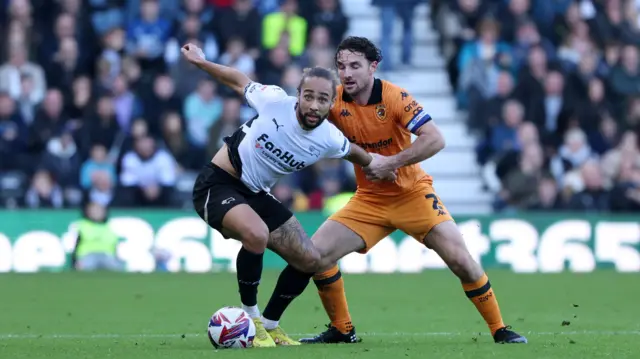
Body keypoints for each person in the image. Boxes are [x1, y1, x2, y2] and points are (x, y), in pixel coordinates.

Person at [259, 37, 528, 345]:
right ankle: (342, 329)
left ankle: (500, 329)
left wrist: (392, 163)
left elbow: (435, 139)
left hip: (412, 194)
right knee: (315, 256)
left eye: (355, 66)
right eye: (342, 66)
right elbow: (300, 116)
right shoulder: (331, 99)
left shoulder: (395, 98)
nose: (346, 73)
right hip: (369, 200)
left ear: (373, 67)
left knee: (461, 261)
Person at [180, 43, 396, 347]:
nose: (313, 105)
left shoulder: (329, 138)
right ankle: (251, 318)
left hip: (256, 194)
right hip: (219, 183)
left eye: (322, 99)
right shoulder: (274, 101)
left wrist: (384, 165)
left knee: (311, 259)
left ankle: (271, 324)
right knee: (255, 234)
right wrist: (201, 62)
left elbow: (355, 153)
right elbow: (237, 80)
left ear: (331, 103)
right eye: (308, 96)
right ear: (298, 94)